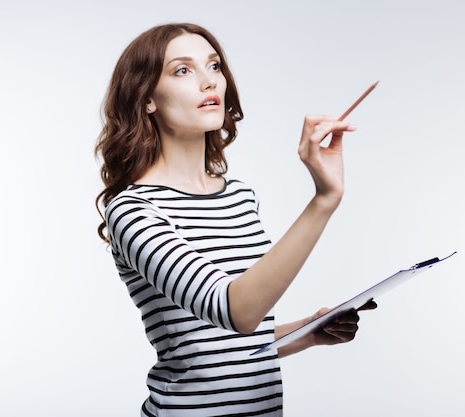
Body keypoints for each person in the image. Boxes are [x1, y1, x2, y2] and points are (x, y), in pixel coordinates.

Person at [94, 22, 376, 417]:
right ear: (147, 100)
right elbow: (238, 312)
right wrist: (325, 199)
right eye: (182, 70)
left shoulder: (240, 196)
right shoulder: (135, 210)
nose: (209, 81)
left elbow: (228, 344)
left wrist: (308, 333)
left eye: (214, 66)